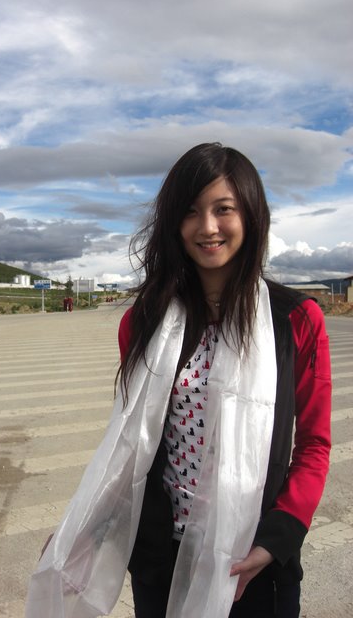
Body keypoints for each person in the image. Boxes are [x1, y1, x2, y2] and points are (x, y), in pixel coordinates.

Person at [25, 143, 331, 618]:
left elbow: (313, 445)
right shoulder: (144, 323)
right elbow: (129, 446)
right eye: (190, 211)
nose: (207, 227)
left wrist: (278, 538)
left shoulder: (296, 320)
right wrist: (81, 528)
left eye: (223, 209)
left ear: (251, 215)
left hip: (251, 559)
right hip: (160, 557)